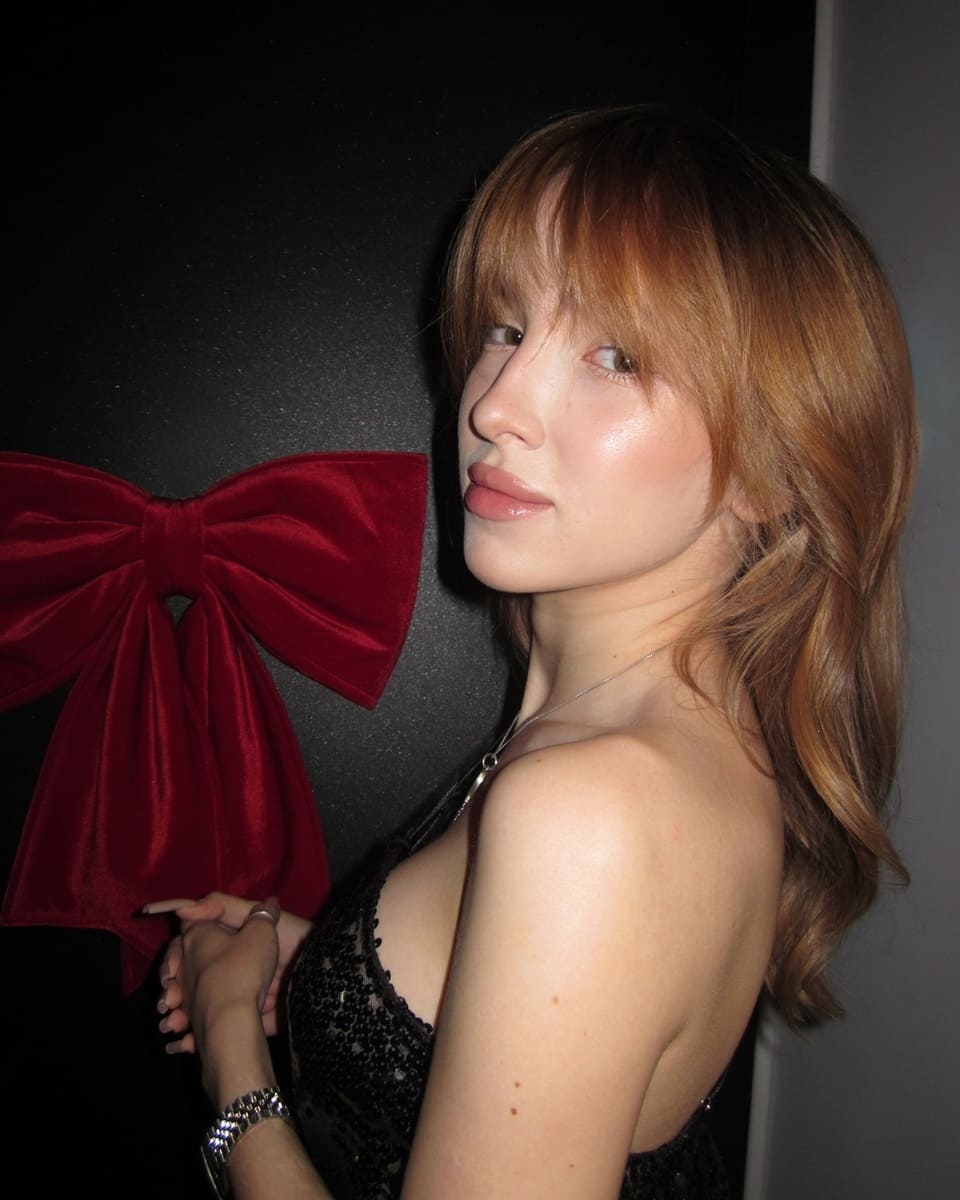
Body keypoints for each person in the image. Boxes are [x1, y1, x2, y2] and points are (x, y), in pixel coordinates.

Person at [143, 105, 917, 1199]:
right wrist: (327, 972)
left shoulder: (589, 812)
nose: (494, 405)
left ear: (772, 470)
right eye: (505, 328)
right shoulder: (651, 737)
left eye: (616, 356)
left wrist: (234, 1052)